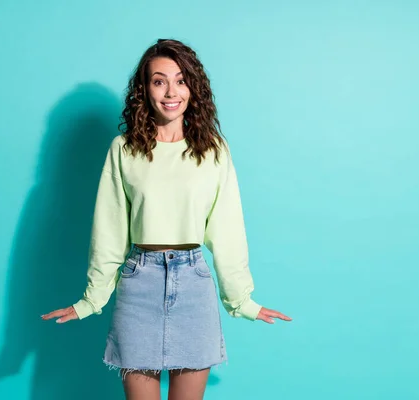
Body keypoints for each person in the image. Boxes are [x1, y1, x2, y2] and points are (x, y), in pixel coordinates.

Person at [42, 38, 291, 400]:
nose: (171, 91)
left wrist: (242, 301)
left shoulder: (213, 150)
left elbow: (227, 230)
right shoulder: (124, 149)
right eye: (159, 81)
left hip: (194, 284)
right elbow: (109, 231)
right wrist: (90, 300)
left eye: (180, 80)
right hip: (138, 284)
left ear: (193, 87)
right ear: (145, 89)